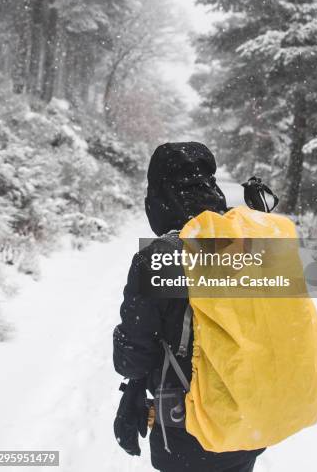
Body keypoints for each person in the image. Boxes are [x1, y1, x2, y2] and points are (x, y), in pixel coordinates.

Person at [113, 142, 267, 472]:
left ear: (159, 196)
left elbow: (132, 356)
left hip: (186, 427)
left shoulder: (159, 257)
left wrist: (134, 392)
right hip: (251, 416)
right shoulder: (251, 245)